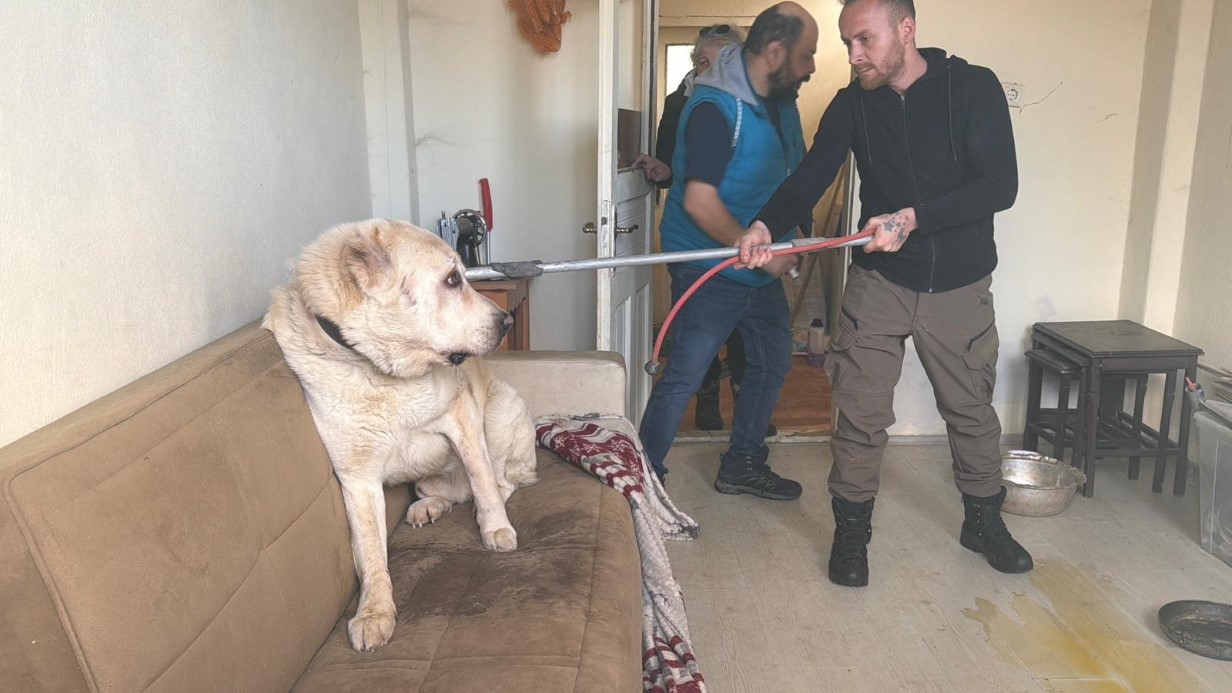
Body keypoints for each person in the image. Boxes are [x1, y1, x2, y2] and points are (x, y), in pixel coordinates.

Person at [737, 0, 1030, 586]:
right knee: (859, 414)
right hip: (880, 283)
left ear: (906, 30)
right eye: (847, 42)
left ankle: (983, 522)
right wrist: (767, 224)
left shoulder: (972, 87)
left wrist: (913, 218)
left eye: (864, 40)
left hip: (960, 284)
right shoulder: (853, 104)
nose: (854, 55)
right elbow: (811, 176)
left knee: (970, 411)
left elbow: (1000, 185)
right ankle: (852, 534)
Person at [637, 2, 819, 500]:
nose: (811, 67)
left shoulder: (780, 101)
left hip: (758, 258)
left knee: (772, 361)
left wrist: (796, 235)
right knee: (687, 372)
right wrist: (760, 247)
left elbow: (792, 172)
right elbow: (700, 201)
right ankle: (644, 483)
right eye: (805, 55)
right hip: (707, 263)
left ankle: (741, 463)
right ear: (775, 52)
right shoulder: (713, 109)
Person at [634, 24, 752, 433]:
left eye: (725, 62)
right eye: (704, 62)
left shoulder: (759, 104)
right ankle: (706, 399)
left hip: (744, 233)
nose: (713, 72)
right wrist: (660, 169)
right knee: (696, 327)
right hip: (693, 237)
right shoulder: (678, 102)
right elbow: (672, 168)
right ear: (695, 64)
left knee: (745, 329)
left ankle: (747, 412)